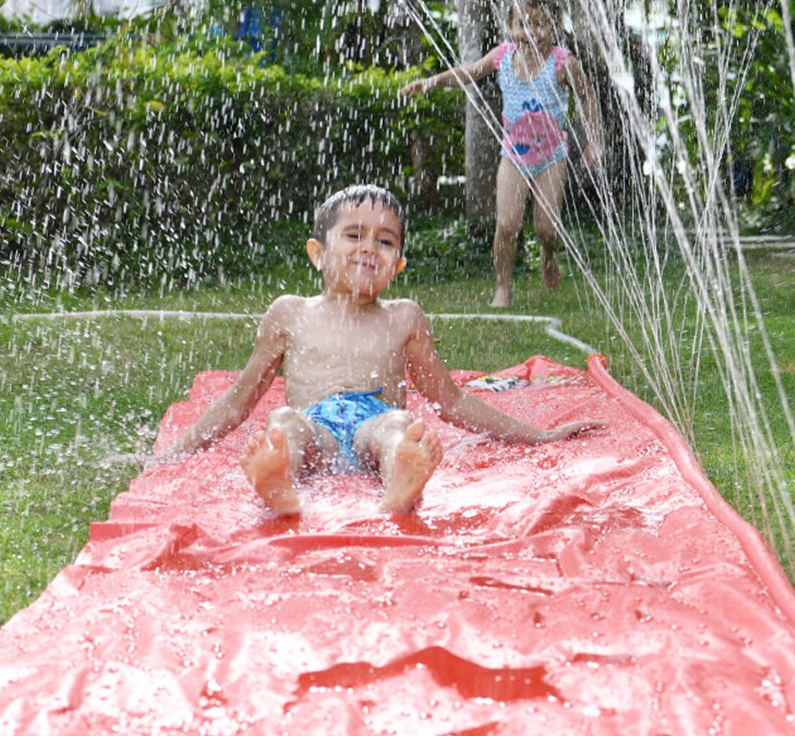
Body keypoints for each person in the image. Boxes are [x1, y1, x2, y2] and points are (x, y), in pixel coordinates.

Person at [163, 184, 603, 517]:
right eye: (354, 235)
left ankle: (401, 480)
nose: (370, 248)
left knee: (398, 426)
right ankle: (279, 479)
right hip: (316, 430)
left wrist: (536, 435)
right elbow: (240, 399)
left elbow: (451, 400)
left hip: (372, 426)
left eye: (386, 241)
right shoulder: (289, 314)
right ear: (318, 253)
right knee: (283, 424)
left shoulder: (404, 317)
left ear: (399, 266)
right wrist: (174, 453)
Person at [401, 0, 603, 308]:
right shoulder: (502, 57)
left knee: (546, 228)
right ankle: (503, 287)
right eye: (522, 24)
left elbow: (588, 99)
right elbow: (469, 72)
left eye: (539, 24)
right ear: (510, 25)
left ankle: (548, 255)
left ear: (554, 26)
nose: (530, 32)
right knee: (507, 224)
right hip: (514, 155)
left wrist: (594, 141)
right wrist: (434, 81)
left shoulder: (563, 64)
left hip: (551, 156)